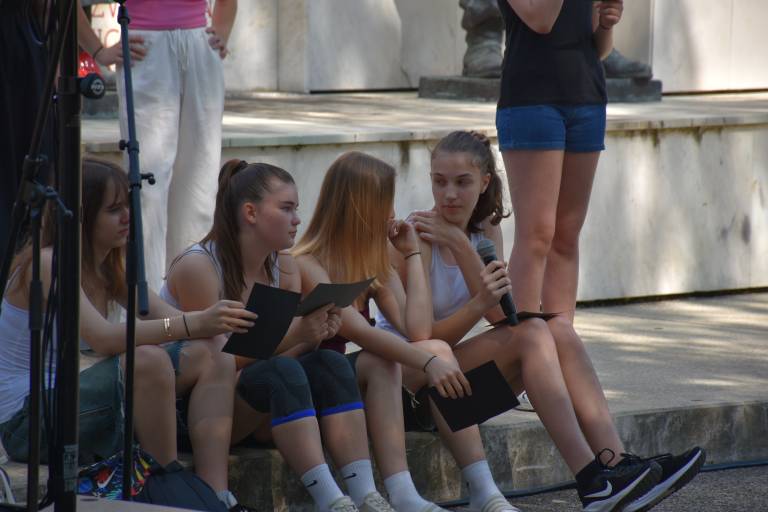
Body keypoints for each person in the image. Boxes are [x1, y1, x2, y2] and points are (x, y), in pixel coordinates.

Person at [394, 130, 705, 512]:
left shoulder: (485, 231)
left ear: (484, 182)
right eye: (439, 182)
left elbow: (499, 315)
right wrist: (461, 256)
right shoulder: (420, 234)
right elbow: (422, 337)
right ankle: (592, 482)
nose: (449, 195)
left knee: (556, 328)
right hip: (410, 384)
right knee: (532, 335)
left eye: (462, 182)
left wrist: (461, 245)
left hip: (452, 386)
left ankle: (616, 465)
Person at [0, 158, 258, 512]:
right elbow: (104, 339)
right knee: (148, 360)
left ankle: (217, 493)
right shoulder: (50, 261)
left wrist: (219, 325)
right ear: (81, 216)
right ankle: (165, 484)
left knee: (212, 351)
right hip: (25, 423)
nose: (127, 218)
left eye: (128, 206)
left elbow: (174, 321)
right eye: (113, 209)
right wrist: (196, 323)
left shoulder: (109, 266)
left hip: (69, 403)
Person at [162, 160, 395, 512]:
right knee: (278, 371)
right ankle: (331, 501)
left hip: (255, 402)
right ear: (250, 213)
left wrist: (314, 334)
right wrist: (295, 334)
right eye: (286, 208)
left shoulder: (284, 266)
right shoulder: (200, 267)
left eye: (296, 209)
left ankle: (365, 495)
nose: (297, 219)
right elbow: (217, 364)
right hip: (193, 414)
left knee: (329, 362)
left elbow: (281, 354)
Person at [295, 152, 519, 512]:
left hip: (344, 385)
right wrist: (429, 362)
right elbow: (362, 333)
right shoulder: (306, 262)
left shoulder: (371, 259)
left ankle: (483, 490)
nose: (392, 212)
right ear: (360, 206)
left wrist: (412, 254)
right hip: (307, 389)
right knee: (397, 356)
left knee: (430, 349)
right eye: (386, 202)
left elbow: (417, 329)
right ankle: (410, 492)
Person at [77, 0, 237, 291]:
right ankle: (145, 300)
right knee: (147, 188)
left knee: (199, 187)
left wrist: (221, 33)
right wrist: (98, 51)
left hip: (199, 44)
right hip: (146, 48)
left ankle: (191, 294)